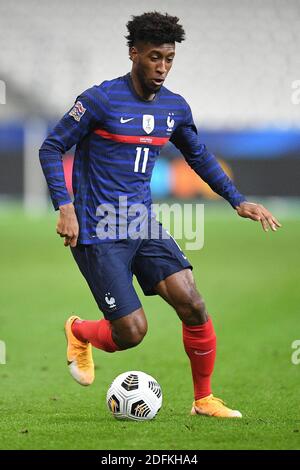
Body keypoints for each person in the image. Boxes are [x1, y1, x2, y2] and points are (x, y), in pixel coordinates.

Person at [39, 11, 281, 418]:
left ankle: (203, 399)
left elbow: (198, 156)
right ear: (133, 53)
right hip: (97, 230)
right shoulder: (99, 99)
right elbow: (50, 148)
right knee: (132, 333)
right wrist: (65, 207)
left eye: (169, 58)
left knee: (193, 303)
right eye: (154, 57)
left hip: (142, 223)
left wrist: (237, 199)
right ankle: (79, 330)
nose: (162, 67)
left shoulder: (174, 107)